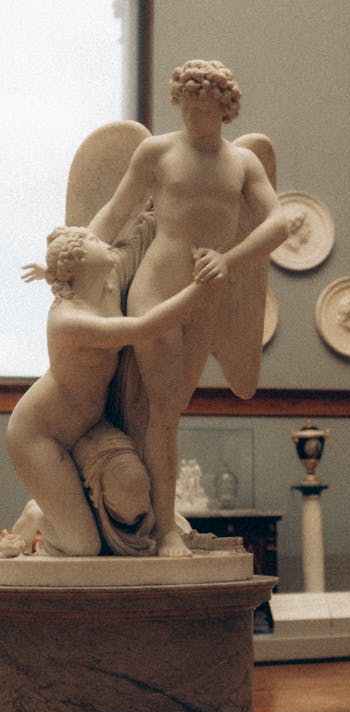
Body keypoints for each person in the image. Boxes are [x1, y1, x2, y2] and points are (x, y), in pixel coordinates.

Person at [87, 60, 288, 556]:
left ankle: (162, 516)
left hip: (206, 296)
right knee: (165, 413)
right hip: (156, 288)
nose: (196, 119)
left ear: (226, 110)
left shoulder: (242, 164)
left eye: (206, 111)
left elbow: (280, 223)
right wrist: (73, 251)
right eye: (188, 109)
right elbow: (115, 212)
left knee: (172, 409)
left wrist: (229, 258)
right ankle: (166, 531)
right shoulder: (158, 151)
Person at [6, 225, 217, 558]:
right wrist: (200, 288)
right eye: (90, 240)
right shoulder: (68, 320)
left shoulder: (105, 286)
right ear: (78, 265)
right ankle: (38, 514)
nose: (100, 238)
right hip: (39, 434)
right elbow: (144, 328)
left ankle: (66, 511)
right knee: (83, 546)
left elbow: (120, 213)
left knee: (132, 492)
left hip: (89, 425)